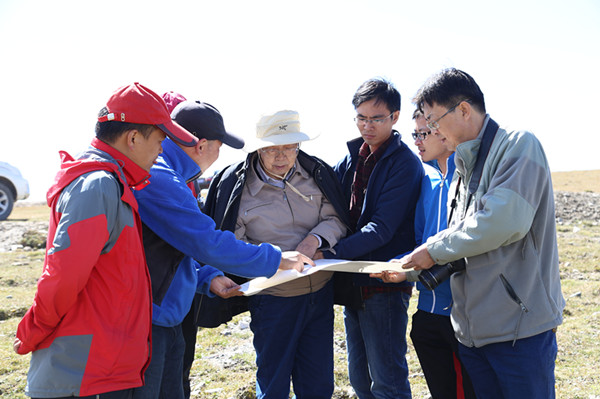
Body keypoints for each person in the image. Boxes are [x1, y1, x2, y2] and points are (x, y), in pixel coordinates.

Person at [13, 82, 198, 398]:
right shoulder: (98, 186)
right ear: (133, 138)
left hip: (102, 370)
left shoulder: (114, 184)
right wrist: (32, 331)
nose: (160, 152)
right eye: (160, 141)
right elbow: (63, 276)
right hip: (83, 374)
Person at [397, 68, 565, 398]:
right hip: (472, 337)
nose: (429, 130)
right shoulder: (462, 168)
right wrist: (408, 270)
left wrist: (432, 250)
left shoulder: (519, 145)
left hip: (519, 332)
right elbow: (461, 243)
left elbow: (503, 221)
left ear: (463, 109)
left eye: (433, 120)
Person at [131, 101, 312, 399]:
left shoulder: (171, 174)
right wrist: (278, 259)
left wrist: (207, 277)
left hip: (166, 315)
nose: (218, 156)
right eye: (219, 146)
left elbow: (179, 245)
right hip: (149, 319)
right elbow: (207, 241)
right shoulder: (162, 178)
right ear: (202, 145)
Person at [195, 110, 348, 398]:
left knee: (319, 386)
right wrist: (277, 259)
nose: (281, 157)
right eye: (272, 149)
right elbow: (232, 245)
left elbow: (337, 218)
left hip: (320, 297)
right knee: (273, 383)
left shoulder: (318, 173)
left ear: (298, 146)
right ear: (258, 149)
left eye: (289, 147)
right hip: (273, 300)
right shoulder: (236, 186)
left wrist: (314, 240)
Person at [316, 78, 424, 399]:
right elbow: (326, 204)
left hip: (383, 284)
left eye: (376, 118)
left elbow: (381, 228)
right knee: (360, 380)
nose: (367, 125)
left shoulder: (404, 164)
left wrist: (330, 254)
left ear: (395, 116)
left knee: (387, 382)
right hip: (352, 284)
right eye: (361, 117)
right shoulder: (352, 158)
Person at [373, 109, 476, 399]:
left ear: (444, 131)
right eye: (414, 134)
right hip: (426, 314)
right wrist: (397, 265)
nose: (416, 141)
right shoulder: (427, 181)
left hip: (461, 317)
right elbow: (421, 242)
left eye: (423, 133)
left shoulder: (472, 178)